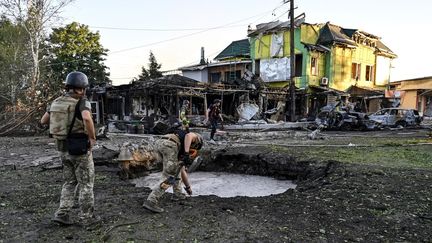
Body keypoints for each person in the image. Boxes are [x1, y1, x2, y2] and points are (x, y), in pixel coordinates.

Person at [40, 71, 97, 226]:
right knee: (85, 184)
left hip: (62, 149)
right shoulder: (82, 102)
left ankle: (62, 213)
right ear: (82, 88)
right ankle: (86, 218)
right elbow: (86, 117)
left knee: (69, 182)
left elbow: (44, 120)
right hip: (79, 149)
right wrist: (92, 138)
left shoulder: (56, 101)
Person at [142, 131, 203, 213]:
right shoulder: (196, 138)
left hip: (160, 144)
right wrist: (186, 153)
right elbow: (189, 135)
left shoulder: (179, 149)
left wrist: (188, 187)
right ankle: (151, 200)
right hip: (169, 144)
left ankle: (177, 194)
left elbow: (182, 171)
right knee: (170, 174)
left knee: (175, 169)